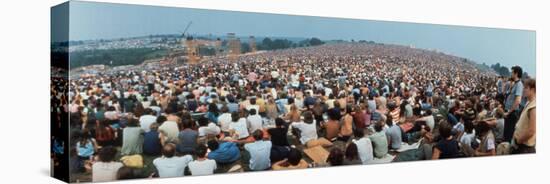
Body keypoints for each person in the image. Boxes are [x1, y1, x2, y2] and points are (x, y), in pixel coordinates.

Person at [512, 78, 536, 154]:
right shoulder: (528, 102)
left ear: (532, 89)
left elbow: (531, 131)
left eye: (526, 88)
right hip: (521, 144)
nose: (523, 90)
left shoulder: (534, 107)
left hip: (524, 147)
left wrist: (519, 140)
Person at [504, 66, 524, 142]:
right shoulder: (515, 84)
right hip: (509, 112)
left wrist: (509, 111)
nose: (510, 74)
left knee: (508, 134)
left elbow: (518, 100)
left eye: (512, 72)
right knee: (506, 133)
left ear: (516, 74)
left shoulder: (519, 84)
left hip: (512, 113)